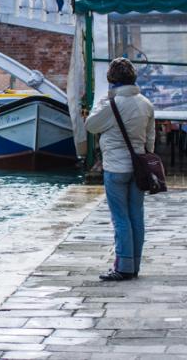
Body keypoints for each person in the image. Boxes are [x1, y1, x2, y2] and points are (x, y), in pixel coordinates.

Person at [85, 58, 155, 281]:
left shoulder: (112, 104)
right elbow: (150, 141)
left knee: (120, 219)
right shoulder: (146, 103)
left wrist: (103, 101)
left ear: (112, 81)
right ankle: (134, 266)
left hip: (116, 168)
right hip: (139, 167)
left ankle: (123, 267)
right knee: (136, 216)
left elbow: (91, 126)